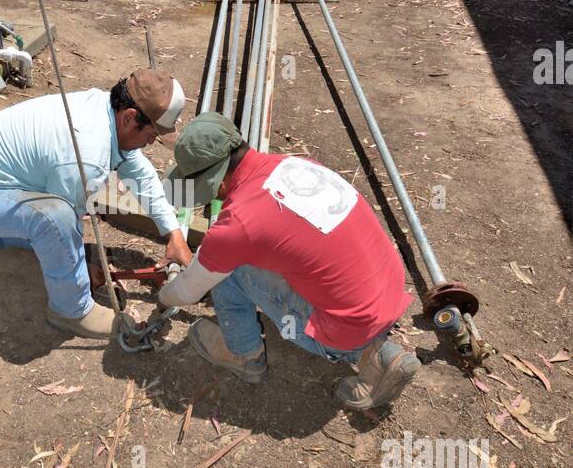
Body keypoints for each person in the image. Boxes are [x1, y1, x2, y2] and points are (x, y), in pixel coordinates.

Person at [157, 112, 419, 411]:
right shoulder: (291, 165)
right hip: (387, 293)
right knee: (251, 258)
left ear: (215, 184)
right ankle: (378, 352)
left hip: (348, 324)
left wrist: (164, 295)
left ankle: (244, 355)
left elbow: (187, 292)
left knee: (228, 272)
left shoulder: (239, 224)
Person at [0, 70, 192, 339]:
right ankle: (71, 311)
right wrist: (78, 272)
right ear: (130, 117)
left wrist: (173, 233)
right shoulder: (86, 152)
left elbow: (139, 171)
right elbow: (62, 221)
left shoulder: (105, 110)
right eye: (151, 135)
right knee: (52, 219)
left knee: (47, 228)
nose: (150, 144)